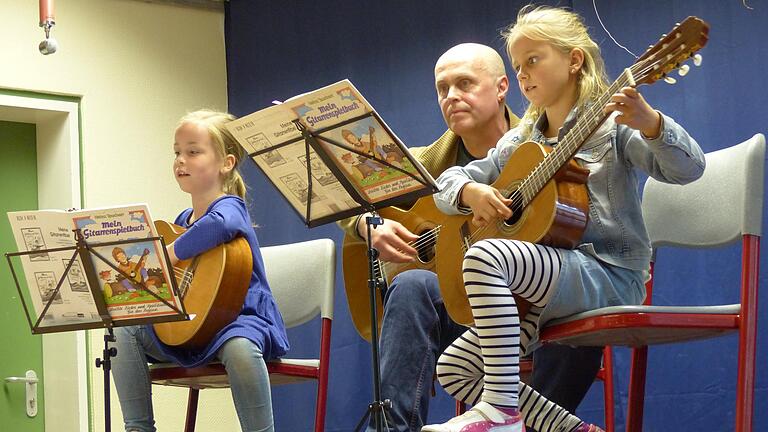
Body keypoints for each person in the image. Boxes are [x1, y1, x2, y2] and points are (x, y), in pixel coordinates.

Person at [423, 5, 705, 432]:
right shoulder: (520, 141)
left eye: (533, 60)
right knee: (455, 369)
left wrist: (651, 124)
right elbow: (445, 182)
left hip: (608, 275)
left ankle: (501, 413)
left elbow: (689, 169)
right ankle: (572, 430)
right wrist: (469, 190)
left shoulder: (612, 125)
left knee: (486, 257)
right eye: (517, 66)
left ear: (574, 60)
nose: (522, 74)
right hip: (549, 286)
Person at [338, 42, 606, 432]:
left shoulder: (543, 144)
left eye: (464, 83)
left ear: (501, 88)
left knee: (573, 319)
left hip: (530, 312)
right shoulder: (428, 163)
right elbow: (343, 196)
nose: (451, 97)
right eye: (442, 89)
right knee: (412, 282)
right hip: (462, 318)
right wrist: (369, 225)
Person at [111, 110, 290, 432]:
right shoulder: (181, 220)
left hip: (238, 321)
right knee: (123, 331)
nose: (181, 160)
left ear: (227, 163)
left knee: (240, 348)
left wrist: (168, 254)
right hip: (193, 327)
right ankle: (138, 428)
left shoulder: (230, 206)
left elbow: (221, 225)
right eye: (177, 152)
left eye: (193, 151)